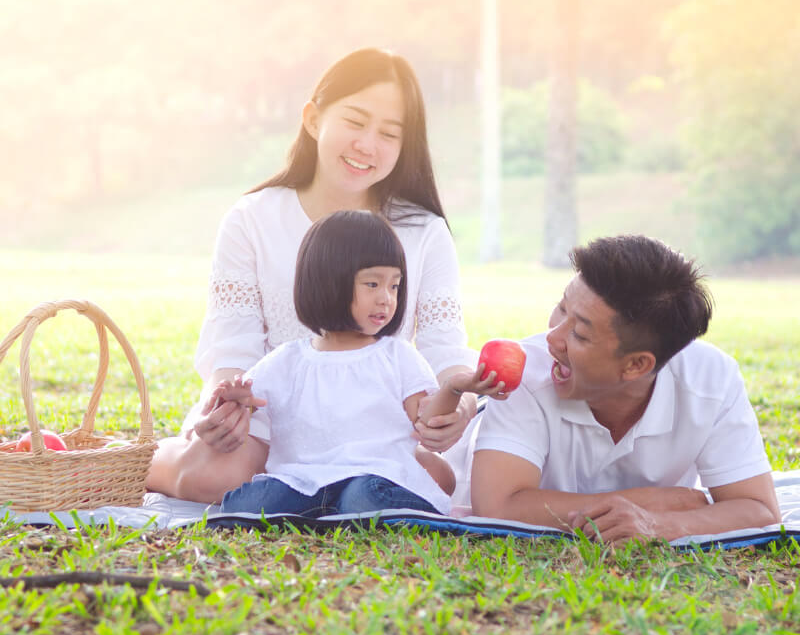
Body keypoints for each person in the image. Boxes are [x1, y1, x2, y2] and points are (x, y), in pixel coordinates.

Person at [146, 48, 479, 504]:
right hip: (270, 422)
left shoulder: (424, 230)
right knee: (224, 479)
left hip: (372, 428)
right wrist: (228, 407)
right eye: (356, 122)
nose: (368, 145)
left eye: (389, 133)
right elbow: (233, 345)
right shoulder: (253, 218)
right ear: (313, 119)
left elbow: (446, 346)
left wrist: (457, 404)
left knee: (436, 479)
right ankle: (153, 457)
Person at [471, 235, 781, 543]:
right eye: (561, 308)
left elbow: (759, 509)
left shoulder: (711, 381)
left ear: (636, 366)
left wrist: (658, 525)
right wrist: (658, 502)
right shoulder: (525, 371)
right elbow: (497, 506)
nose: (552, 338)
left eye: (579, 333)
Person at [213, 210, 505, 518]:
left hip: (375, 477)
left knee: (363, 497)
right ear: (328, 283)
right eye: (372, 284)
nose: (386, 298)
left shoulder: (398, 356)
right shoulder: (287, 361)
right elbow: (245, 402)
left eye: (394, 286)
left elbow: (426, 419)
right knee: (244, 503)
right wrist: (234, 399)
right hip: (304, 480)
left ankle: (343, 510)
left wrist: (453, 389)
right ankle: (334, 510)